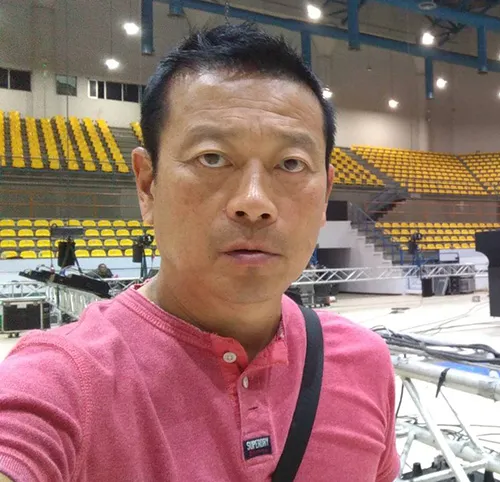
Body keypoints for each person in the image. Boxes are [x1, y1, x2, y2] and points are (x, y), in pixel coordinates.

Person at [0, 23, 399, 482]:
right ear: (147, 184)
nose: (254, 202)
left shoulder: (363, 362)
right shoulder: (66, 382)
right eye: (212, 158)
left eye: (291, 163)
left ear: (325, 192)